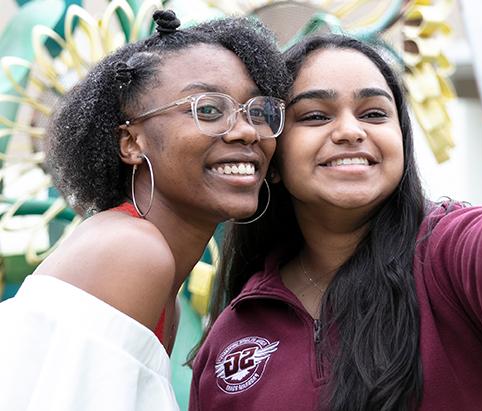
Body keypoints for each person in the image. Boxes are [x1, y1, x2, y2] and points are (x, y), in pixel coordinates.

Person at [190, 1, 482, 410]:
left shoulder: (454, 258)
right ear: (272, 158)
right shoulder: (237, 327)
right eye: (315, 115)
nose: (352, 130)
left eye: (375, 113)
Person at [0, 10, 288, 411]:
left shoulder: (148, 261)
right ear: (132, 143)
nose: (246, 131)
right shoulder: (131, 252)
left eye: (258, 112)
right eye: (207, 110)